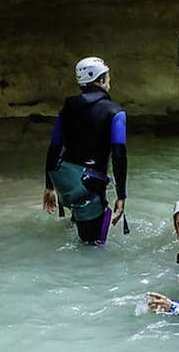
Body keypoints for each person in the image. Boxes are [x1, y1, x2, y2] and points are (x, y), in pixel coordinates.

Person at [42, 56, 127, 244]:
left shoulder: (67, 109)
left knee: (76, 227)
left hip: (65, 182)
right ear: (101, 79)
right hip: (90, 184)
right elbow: (119, 156)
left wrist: (49, 186)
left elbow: (54, 147)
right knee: (91, 246)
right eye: (107, 76)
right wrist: (121, 196)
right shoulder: (115, 112)